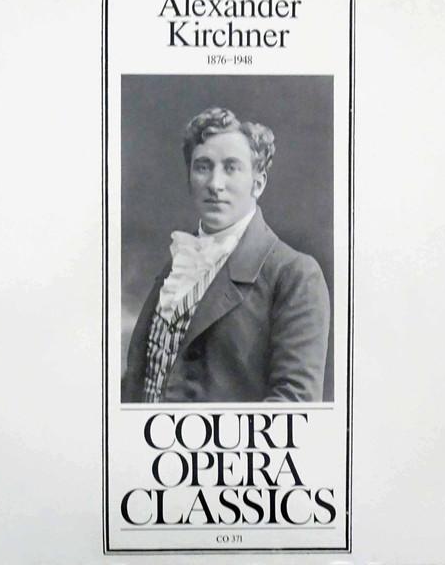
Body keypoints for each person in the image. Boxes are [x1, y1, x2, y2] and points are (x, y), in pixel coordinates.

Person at [121, 107, 330, 403]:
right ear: (189, 177)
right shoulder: (179, 264)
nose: (214, 184)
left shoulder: (294, 275)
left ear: (258, 183)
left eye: (231, 168)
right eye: (203, 167)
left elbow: (294, 404)